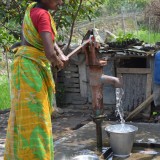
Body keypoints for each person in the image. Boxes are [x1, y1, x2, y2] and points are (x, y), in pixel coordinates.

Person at [4, 0, 68, 159]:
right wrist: (59, 63)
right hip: (31, 70)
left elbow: (50, 44)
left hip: (25, 67)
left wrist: (58, 54)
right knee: (37, 121)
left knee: (23, 118)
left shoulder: (33, 10)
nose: (61, 2)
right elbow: (49, 52)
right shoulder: (43, 15)